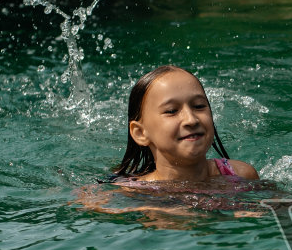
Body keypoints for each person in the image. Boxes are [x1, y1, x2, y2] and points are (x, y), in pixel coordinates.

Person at [107, 65, 259, 184]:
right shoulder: (132, 194)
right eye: (172, 111)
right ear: (140, 133)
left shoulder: (240, 175)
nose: (191, 119)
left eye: (199, 106)